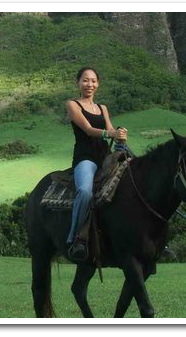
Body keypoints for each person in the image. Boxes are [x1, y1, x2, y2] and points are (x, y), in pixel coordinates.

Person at [66, 67, 127, 260]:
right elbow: (88, 129)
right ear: (78, 83)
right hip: (86, 157)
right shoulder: (73, 105)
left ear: (98, 84)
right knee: (84, 191)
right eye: (85, 80)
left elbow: (110, 129)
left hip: (106, 156)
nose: (89, 84)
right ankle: (76, 237)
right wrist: (110, 133)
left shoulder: (103, 108)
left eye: (93, 81)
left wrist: (120, 136)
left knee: (135, 182)